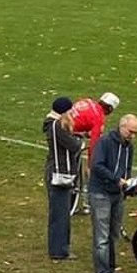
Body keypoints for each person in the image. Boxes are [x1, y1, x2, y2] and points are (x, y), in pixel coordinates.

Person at [88, 113, 137, 273]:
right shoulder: (105, 142)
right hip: (101, 193)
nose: (133, 136)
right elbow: (96, 166)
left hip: (117, 194)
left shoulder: (128, 146)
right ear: (122, 126)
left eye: (136, 133)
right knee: (102, 235)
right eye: (131, 132)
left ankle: (110, 268)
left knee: (113, 234)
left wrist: (128, 185)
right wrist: (116, 179)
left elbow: (127, 168)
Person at [43, 96, 82, 260]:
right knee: (60, 214)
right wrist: (80, 140)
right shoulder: (56, 125)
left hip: (58, 172)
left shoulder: (53, 124)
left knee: (61, 212)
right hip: (59, 174)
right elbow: (73, 146)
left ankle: (60, 248)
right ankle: (58, 251)